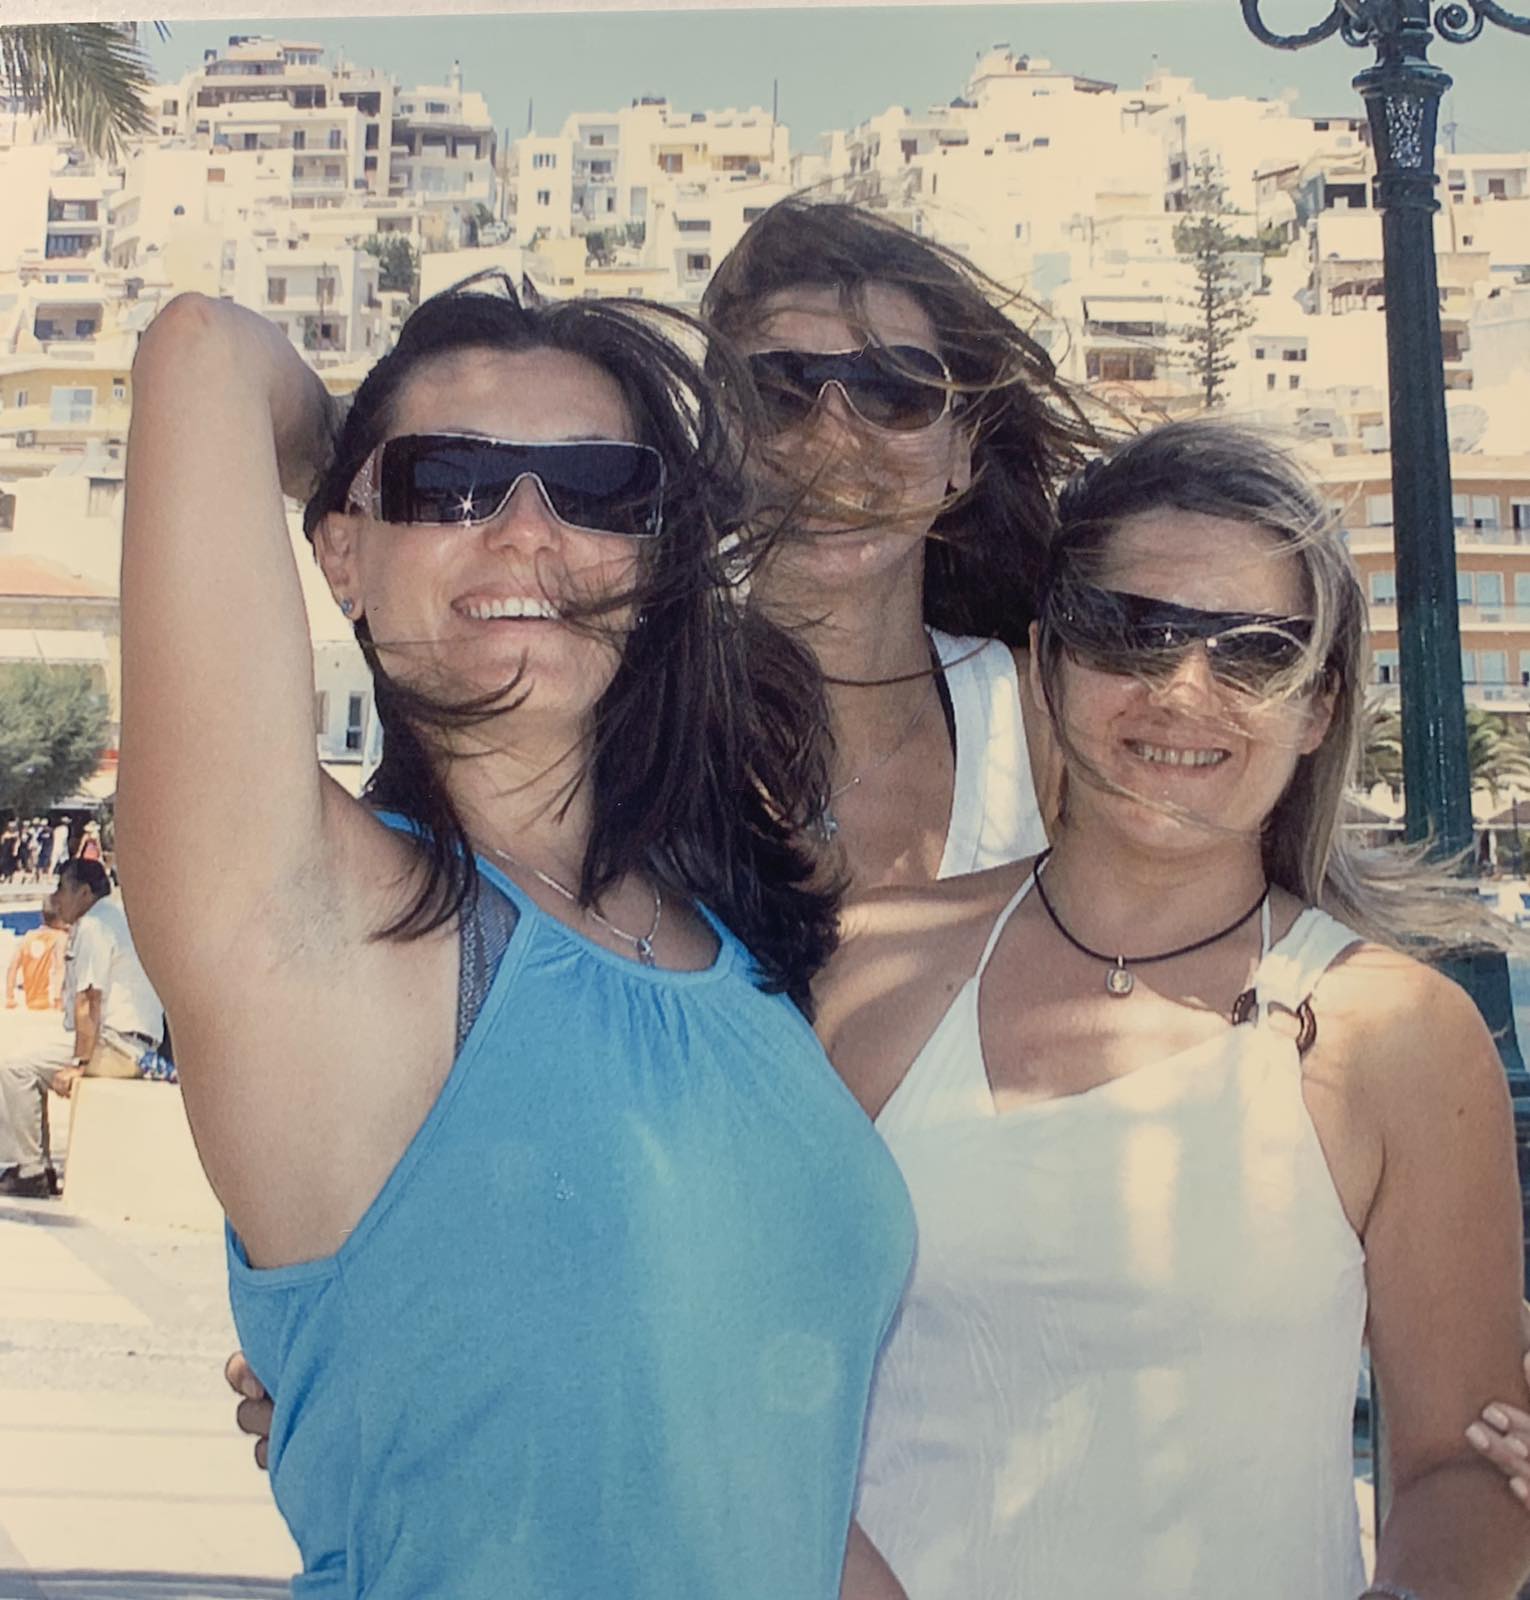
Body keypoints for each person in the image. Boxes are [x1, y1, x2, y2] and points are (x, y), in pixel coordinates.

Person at [117, 278, 913, 1597]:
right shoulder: (319, 926)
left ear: (651, 564)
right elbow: (200, 353)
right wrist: (356, 469)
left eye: (596, 490)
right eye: (453, 482)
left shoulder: (730, 946)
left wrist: (407, 504)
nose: (529, 529)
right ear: (339, 556)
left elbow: (770, 1484)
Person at [814, 420, 1530, 1598]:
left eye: (1256, 652)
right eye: (1130, 630)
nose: (1183, 688)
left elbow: (1466, 1463)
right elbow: (753, 1397)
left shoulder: (1399, 1038)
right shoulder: (861, 978)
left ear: (1319, 708)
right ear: (1047, 659)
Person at [702, 196, 1096, 889]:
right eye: (779, 392)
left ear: (961, 449)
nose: (835, 440)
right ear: (718, 439)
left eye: (893, 391)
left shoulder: (1044, 728)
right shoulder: (644, 724)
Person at [0, 857, 165, 1199]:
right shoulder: (117, 918)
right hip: (136, 1044)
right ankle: (37, 1166)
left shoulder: (94, 926)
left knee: (16, 1069)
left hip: (116, 1047)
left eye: (62, 889)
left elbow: (89, 1000)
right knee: (30, 1061)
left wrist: (80, 1064)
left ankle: (31, 1170)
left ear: (85, 892)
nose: (56, 898)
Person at [4, 896, 67, 1012]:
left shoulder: (27, 937)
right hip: (51, 1003)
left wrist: (10, 996)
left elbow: (12, 967)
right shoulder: (60, 938)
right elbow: (60, 968)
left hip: (31, 1003)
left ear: (42, 916)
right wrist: (58, 999)